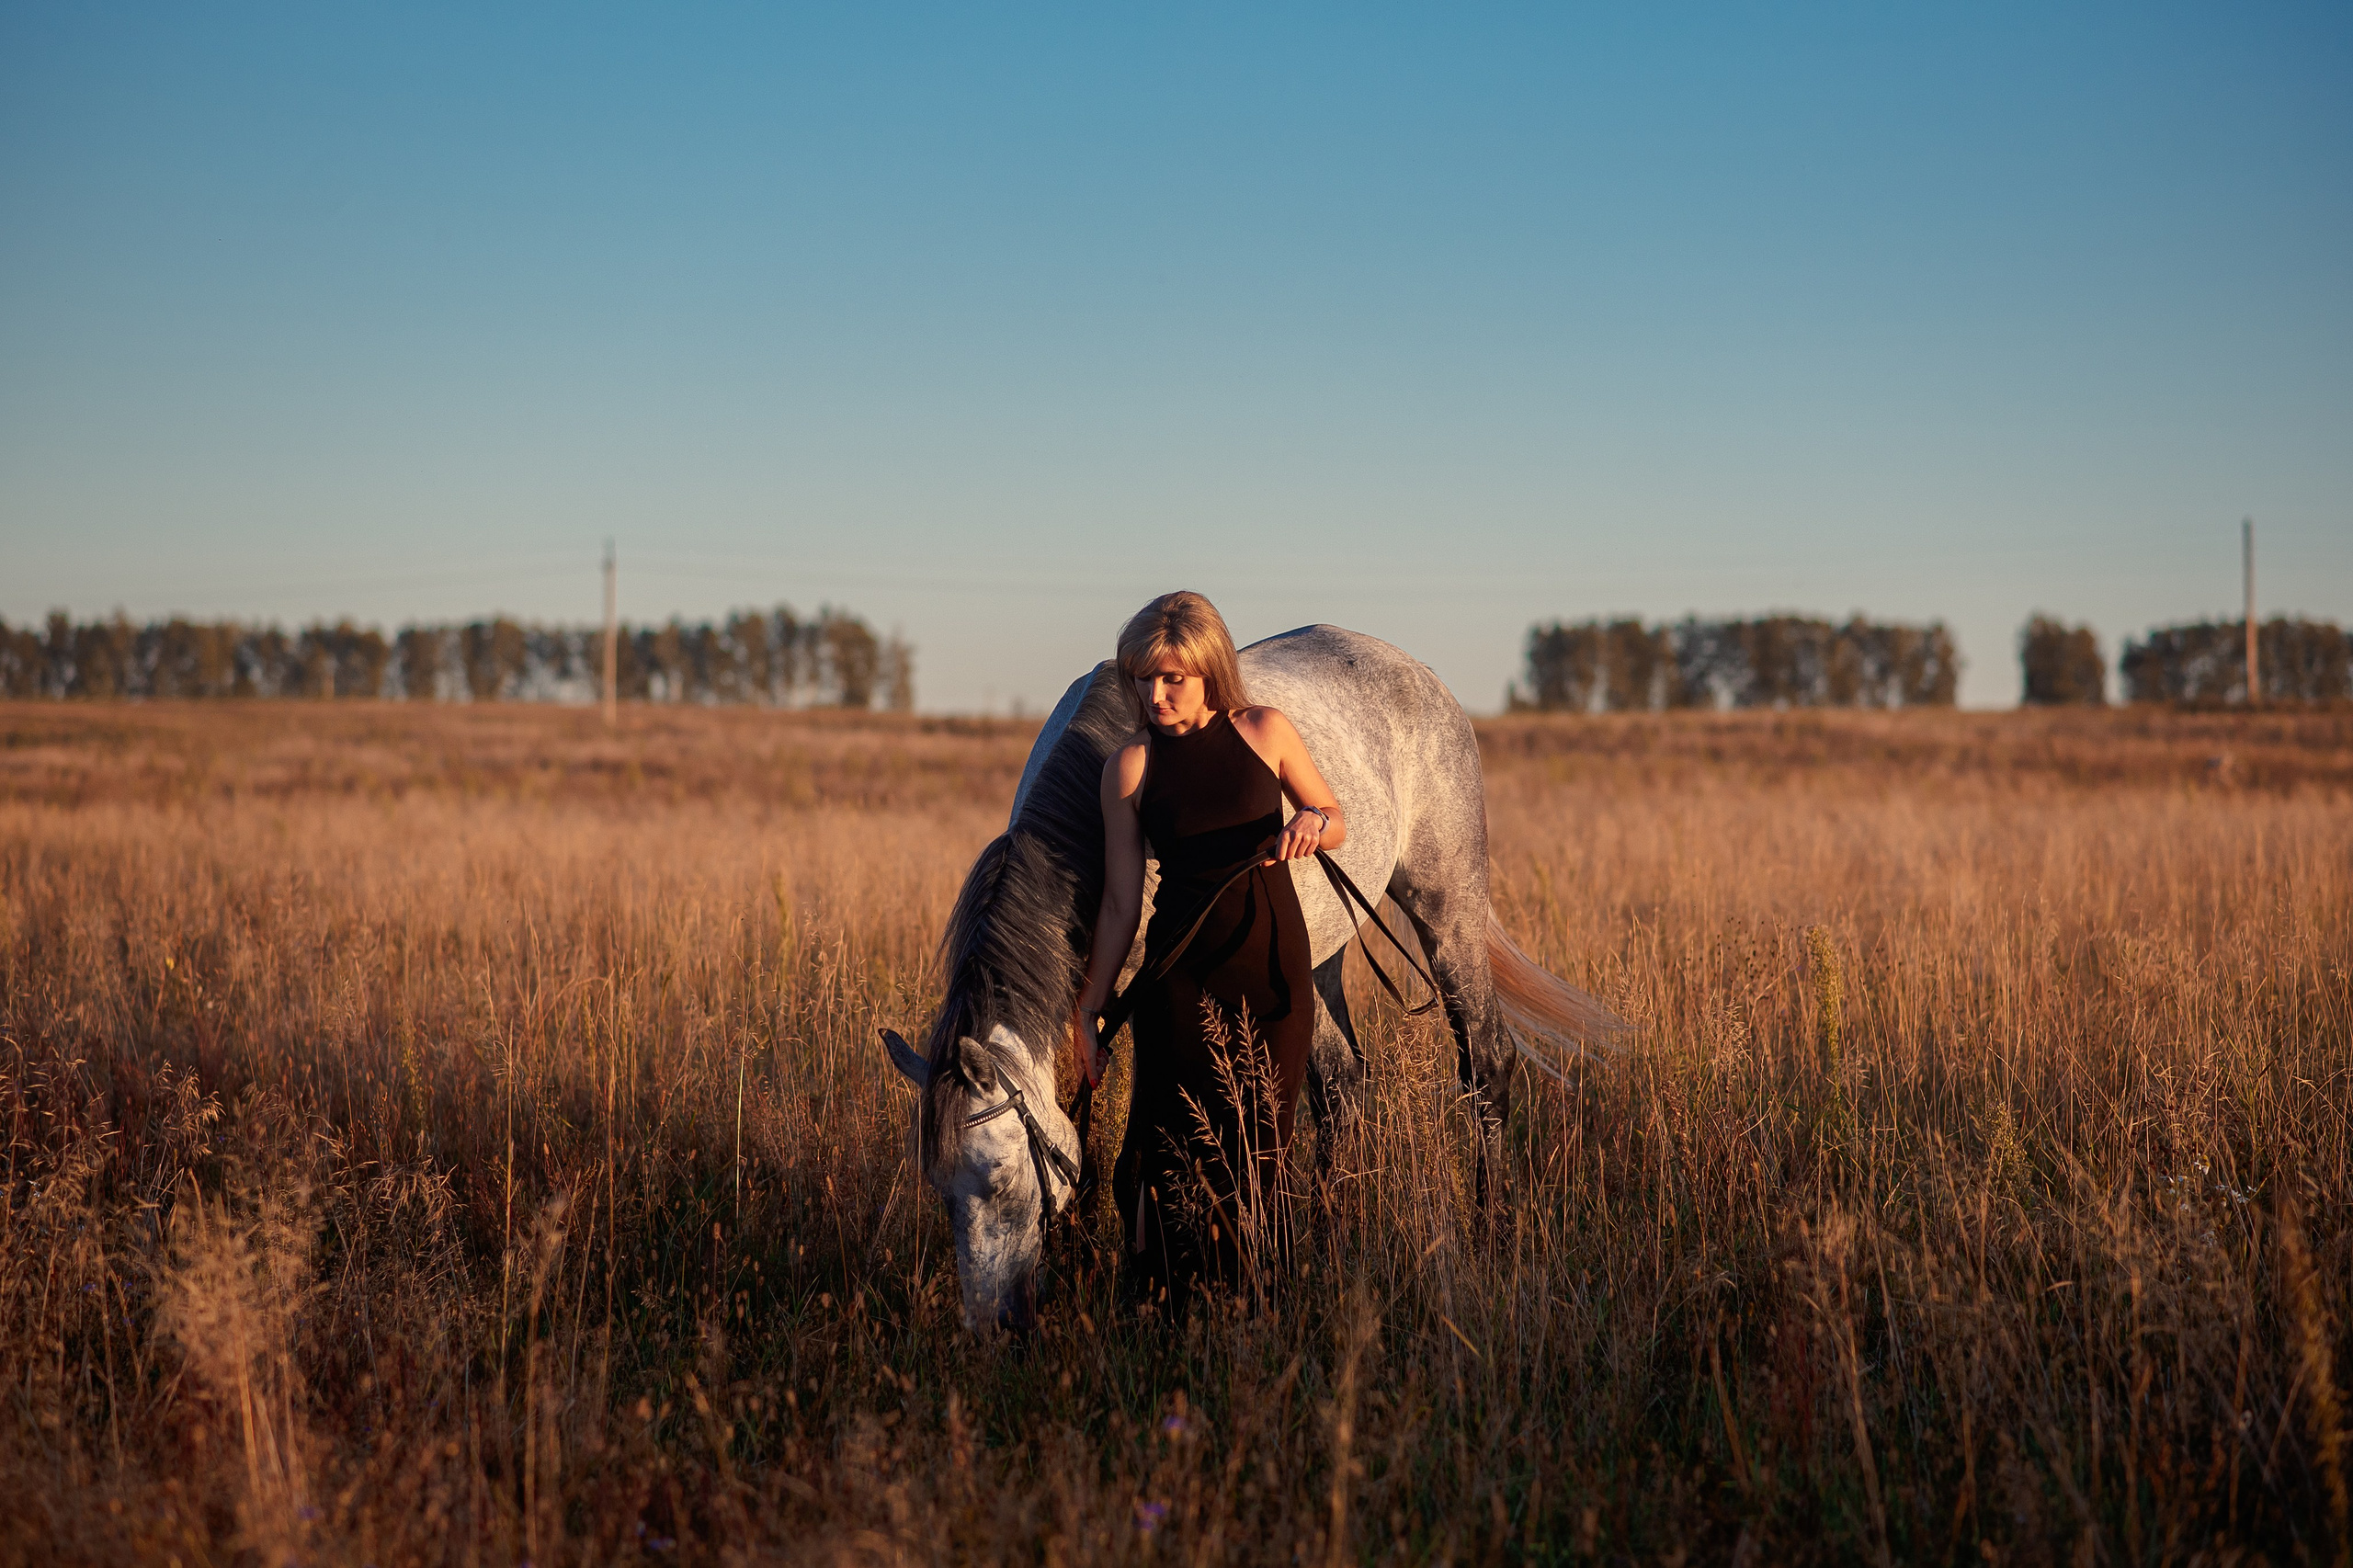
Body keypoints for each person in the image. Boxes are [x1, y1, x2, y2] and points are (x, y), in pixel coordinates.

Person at [1073, 591, 1347, 1306]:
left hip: (1274, 970)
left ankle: (1257, 1310)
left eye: (1172, 679)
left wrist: (1312, 823)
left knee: (1262, 1147)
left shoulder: (1265, 730)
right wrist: (1089, 1010)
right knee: (1172, 1148)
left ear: (1209, 671)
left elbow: (1334, 816)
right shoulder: (1129, 766)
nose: (1154, 696)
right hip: (1179, 978)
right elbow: (1120, 903)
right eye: (1142, 679)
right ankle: (1168, 1316)